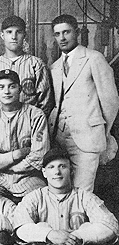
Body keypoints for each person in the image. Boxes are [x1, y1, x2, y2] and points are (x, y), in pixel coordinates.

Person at [49, 14, 119, 192]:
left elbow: (110, 101)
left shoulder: (93, 58)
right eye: (57, 34)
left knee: (82, 194)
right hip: (59, 138)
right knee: (61, 193)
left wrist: (100, 131)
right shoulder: (55, 67)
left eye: (66, 32)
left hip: (87, 139)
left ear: (77, 32)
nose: (62, 38)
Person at [0, 69, 49, 201]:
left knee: (40, 200)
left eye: (12, 86)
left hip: (28, 177)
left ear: (20, 89)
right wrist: (16, 155)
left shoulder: (35, 115)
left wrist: (9, 166)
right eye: (1, 87)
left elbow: (38, 157)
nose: (7, 91)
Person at [0, 15, 53, 117]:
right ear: (2, 35)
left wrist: (30, 122)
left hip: (29, 125)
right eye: (9, 32)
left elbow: (45, 105)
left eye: (18, 32)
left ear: (24, 35)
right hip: (0, 126)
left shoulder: (37, 65)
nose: (14, 37)